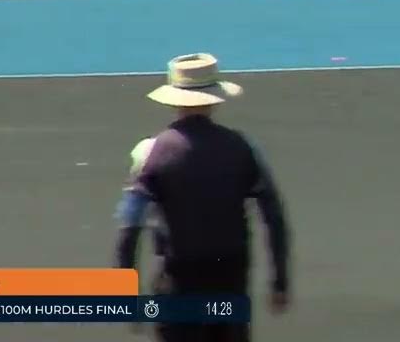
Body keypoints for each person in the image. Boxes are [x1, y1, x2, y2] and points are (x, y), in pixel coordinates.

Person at [114, 53, 290, 341]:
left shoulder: (150, 153)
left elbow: (129, 226)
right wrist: (280, 280)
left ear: (173, 100)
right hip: (229, 281)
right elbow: (273, 217)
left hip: (178, 282)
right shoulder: (244, 148)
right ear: (215, 99)